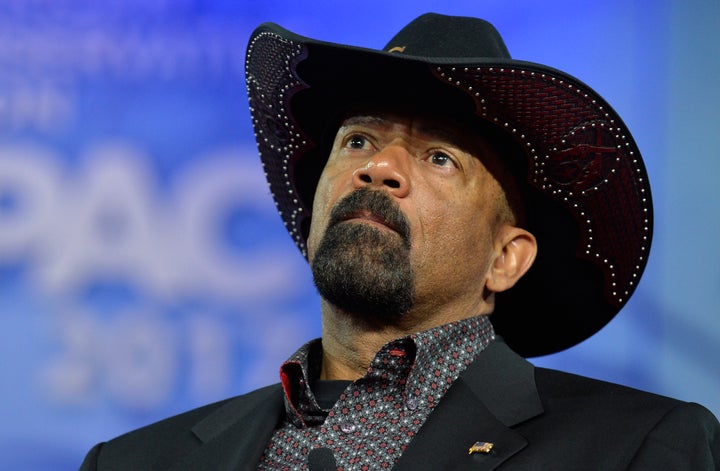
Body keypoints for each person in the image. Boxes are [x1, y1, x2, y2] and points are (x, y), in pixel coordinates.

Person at [80, 13, 719, 470]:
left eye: (440, 157)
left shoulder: (639, 448)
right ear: (312, 221)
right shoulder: (134, 460)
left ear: (506, 258)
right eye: (357, 140)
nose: (378, 167)